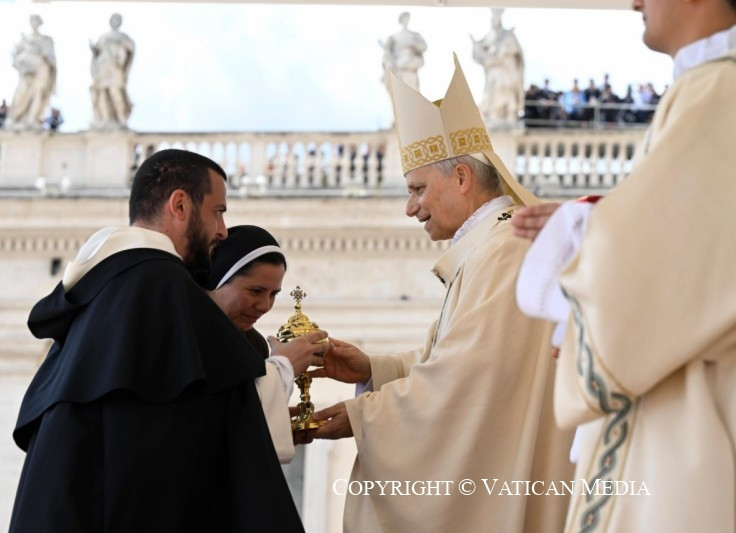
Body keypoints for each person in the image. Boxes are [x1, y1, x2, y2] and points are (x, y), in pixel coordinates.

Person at [300, 56, 574, 533]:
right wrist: (376, 370)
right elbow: (454, 358)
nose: (411, 208)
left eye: (418, 189)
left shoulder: (505, 250)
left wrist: (364, 417)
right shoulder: (489, 248)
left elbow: (468, 379)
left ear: (462, 178)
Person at [9, 149, 326, 532]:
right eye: (217, 212)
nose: (222, 231)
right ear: (180, 204)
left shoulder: (108, 284)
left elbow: (164, 419)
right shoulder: (164, 288)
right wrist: (284, 368)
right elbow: (213, 413)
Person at [512, 1, 736, 531]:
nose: (635, 2)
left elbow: (686, 260)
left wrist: (582, 236)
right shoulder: (706, 86)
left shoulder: (717, 90)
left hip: (692, 415)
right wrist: (594, 225)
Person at [207, 224, 326, 462]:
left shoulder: (255, 344)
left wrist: (275, 424)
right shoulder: (189, 333)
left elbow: (236, 429)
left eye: (273, 294)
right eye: (255, 291)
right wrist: (284, 366)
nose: (265, 306)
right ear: (219, 281)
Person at [471, 8, 525, 126]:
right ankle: (494, 115)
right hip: (494, 72)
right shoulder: (489, 36)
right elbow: (481, 52)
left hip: (506, 71)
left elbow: (516, 51)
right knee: (493, 92)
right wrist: (476, 46)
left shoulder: (508, 35)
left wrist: (505, 53)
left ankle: (508, 114)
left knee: (507, 91)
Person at [6, 15, 56, 130]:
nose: (34, 23)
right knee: (22, 92)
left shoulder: (46, 39)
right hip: (27, 70)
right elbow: (15, 56)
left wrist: (42, 53)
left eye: (36, 20)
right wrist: (21, 62)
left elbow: (51, 57)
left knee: (39, 92)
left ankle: (32, 119)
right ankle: (17, 118)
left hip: (41, 69)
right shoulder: (25, 39)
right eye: (32, 21)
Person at [90, 13, 135, 130]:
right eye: (114, 19)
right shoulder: (104, 36)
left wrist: (119, 43)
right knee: (102, 93)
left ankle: (121, 118)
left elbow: (131, 48)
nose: (115, 21)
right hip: (103, 66)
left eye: (117, 20)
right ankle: (105, 119)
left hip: (115, 67)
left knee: (115, 91)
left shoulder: (123, 36)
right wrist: (94, 49)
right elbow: (97, 51)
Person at [379, 12, 427, 94]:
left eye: (407, 18)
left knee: (412, 92)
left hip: (410, 67)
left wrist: (413, 44)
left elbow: (423, 46)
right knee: (399, 92)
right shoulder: (393, 37)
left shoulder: (415, 35)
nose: (406, 20)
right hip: (398, 68)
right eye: (404, 18)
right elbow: (388, 54)